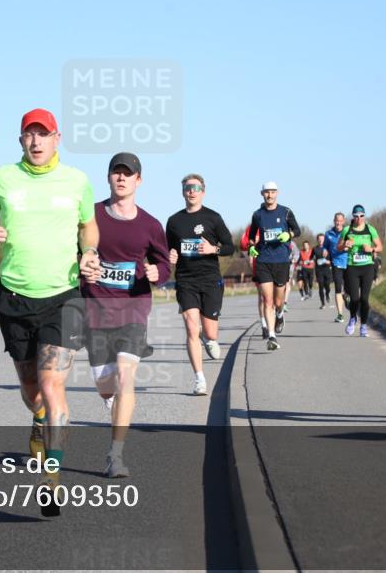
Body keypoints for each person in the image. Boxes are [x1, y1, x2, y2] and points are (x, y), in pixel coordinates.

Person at [0, 108, 100, 513]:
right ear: (20, 140)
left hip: (62, 296)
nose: (37, 141)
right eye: (30, 135)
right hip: (14, 297)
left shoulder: (77, 180)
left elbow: (88, 225)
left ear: (57, 138)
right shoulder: (3, 179)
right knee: (32, 393)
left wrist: (91, 250)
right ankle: (39, 417)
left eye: (43, 134)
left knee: (52, 384)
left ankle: (52, 476)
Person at [82, 152, 170, 478]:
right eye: (116, 173)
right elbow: (72, 251)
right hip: (95, 309)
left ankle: (115, 455)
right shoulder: (90, 217)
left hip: (133, 308)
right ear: (108, 178)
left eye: (128, 173)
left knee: (125, 376)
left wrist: (155, 272)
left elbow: (164, 265)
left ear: (138, 180)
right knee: (105, 385)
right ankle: (112, 402)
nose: (121, 178)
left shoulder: (150, 225)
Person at [166, 174, 234, 395]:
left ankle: (209, 338)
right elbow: (168, 250)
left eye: (196, 188)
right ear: (183, 191)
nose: (192, 191)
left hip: (210, 279)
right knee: (190, 328)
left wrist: (213, 249)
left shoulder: (213, 218)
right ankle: (199, 379)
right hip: (186, 280)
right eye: (187, 188)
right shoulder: (174, 221)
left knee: (210, 332)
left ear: (203, 191)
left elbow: (230, 247)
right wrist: (170, 256)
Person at [246, 181, 300, 350]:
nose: (270, 195)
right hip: (263, 261)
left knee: (278, 301)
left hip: (282, 260)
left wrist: (288, 234)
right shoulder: (257, 215)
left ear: (277, 193)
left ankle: (280, 314)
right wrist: (252, 247)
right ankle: (272, 336)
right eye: (267, 192)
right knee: (267, 300)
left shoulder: (286, 212)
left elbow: (297, 230)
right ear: (262, 194)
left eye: (272, 192)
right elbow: (252, 237)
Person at [337, 204, 383, 337]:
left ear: (364, 216)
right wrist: (344, 244)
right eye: (356, 216)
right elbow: (338, 247)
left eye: (361, 216)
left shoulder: (370, 229)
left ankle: (363, 325)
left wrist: (371, 249)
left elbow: (380, 246)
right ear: (353, 217)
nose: (359, 218)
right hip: (352, 267)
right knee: (355, 298)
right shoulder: (347, 230)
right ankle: (352, 318)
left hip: (367, 266)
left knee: (364, 299)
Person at [323, 212, 349, 323]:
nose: (338, 222)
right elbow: (325, 247)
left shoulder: (348, 232)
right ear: (334, 221)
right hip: (336, 263)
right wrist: (325, 251)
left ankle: (346, 297)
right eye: (336, 220)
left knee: (349, 289)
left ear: (343, 221)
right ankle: (340, 314)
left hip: (349, 263)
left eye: (340, 220)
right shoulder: (328, 234)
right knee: (338, 287)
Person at [312, 233, 332, 309]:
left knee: (327, 285)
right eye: (319, 239)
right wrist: (311, 261)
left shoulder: (328, 248)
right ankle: (323, 303)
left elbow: (332, 260)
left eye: (322, 239)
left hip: (327, 269)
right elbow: (311, 258)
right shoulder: (314, 249)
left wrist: (327, 262)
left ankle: (327, 293)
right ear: (317, 240)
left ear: (324, 240)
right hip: (319, 270)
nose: (320, 240)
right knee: (321, 286)